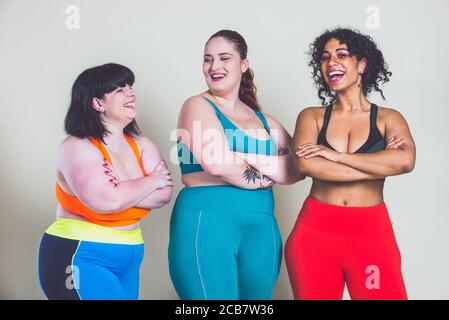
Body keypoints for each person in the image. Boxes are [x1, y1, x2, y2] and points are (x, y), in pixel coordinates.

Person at [168, 30, 303, 300]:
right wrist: (269, 173)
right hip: (206, 221)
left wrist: (242, 161)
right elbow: (217, 163)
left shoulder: (265, 121)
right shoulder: (197, 105)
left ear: (244, 64)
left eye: (224, 58)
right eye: (208, 59)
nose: (214, 66)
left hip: (262, 227)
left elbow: (298, 167)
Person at [285, 28, 416, 300]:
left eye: (341, 55)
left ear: (362, 64)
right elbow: (306, 166)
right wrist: (377, 163)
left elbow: (405, 161)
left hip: (370, 235)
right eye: (324, 58)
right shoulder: (312, 116)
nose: (331, 62)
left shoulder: (388, 118)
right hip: (314, 234)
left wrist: (336, 155)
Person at [38, 63, 173, 300]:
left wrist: (123, 189)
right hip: (82, 253)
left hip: (130, 252)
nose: (131, 93)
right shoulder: (77, 147)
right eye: (119, 90)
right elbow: (108, 201)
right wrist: (151, 180)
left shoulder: (140, 142)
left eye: (130, 87)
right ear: (97, 103)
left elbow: (165, 193)